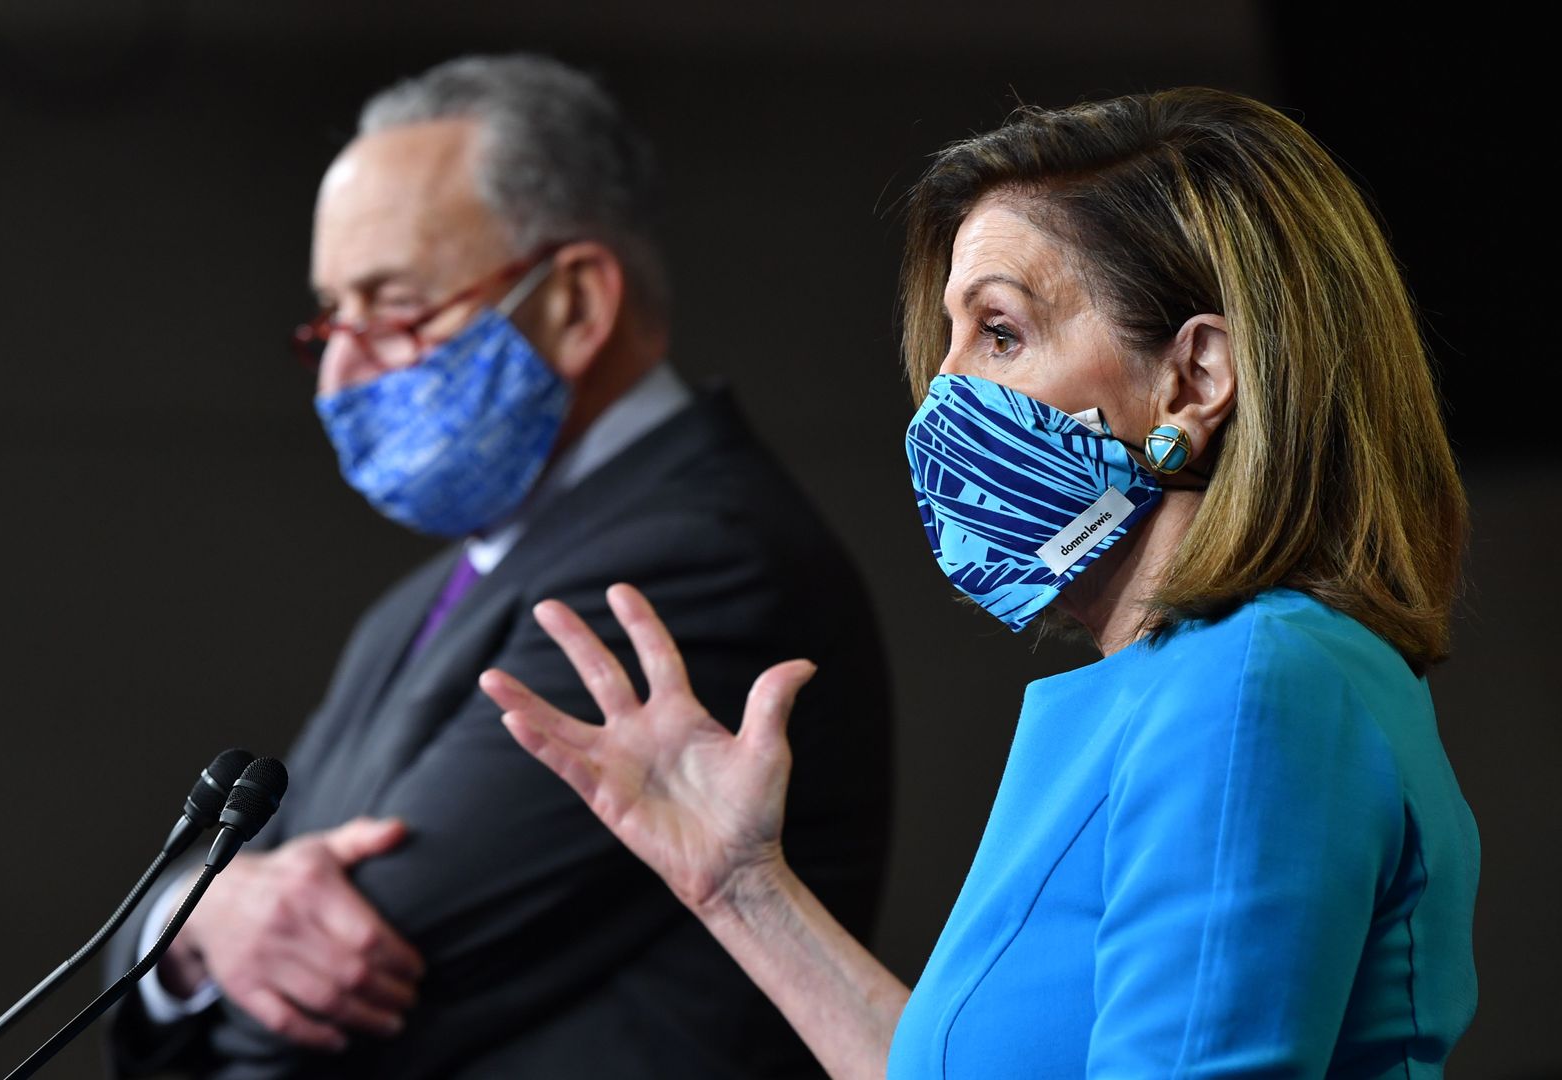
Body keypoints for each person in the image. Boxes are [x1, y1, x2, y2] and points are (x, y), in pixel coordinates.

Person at [483, 87, 1479, 1077]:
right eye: (948, 341)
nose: (940, 394)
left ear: (1194, 378)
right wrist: (742, 887)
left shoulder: (1251, 687)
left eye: (999, 333)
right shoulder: (1187, 684)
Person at [103, 55, 896, 1078]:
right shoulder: (419, 605)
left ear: (573, 304)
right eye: (328, 318)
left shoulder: (696, 559)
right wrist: (203, 915)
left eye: (392, 307)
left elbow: (324, 1003)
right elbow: (181, 932)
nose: (341, 373)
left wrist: (207, 930)